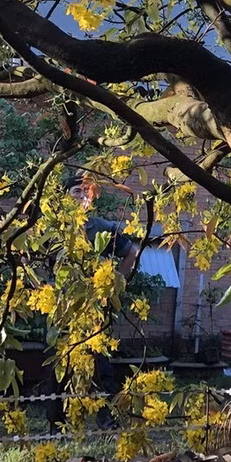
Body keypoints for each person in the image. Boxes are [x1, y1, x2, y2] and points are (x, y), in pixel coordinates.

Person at [45, 173, 139, 431]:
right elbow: (27, 257)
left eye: (87, 192)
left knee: (101, 363)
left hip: (95, 307)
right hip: (63, 308)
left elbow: (132, 252)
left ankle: (106, 421)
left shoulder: (102, 227)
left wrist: (115, 285)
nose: (83, 197)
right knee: (59, 363)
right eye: (77, 192)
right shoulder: (53, 229)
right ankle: (56, 425)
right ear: (65, 198)